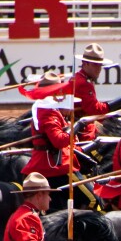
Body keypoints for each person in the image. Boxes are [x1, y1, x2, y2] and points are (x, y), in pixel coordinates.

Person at [19, 74, 96, 210]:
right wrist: (76, 127)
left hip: (56, 163)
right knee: (93, 200)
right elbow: (59, 141)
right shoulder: (48, 112)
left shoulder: (49, 109)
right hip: (56, 167)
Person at [72, 43, 121, 142]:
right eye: (95, 65)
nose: (99, 69)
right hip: (82, 131)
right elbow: (94, 110)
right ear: (85, 63)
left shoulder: (82, 78)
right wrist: (116, 103)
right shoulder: (83, 83)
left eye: (100, 65)